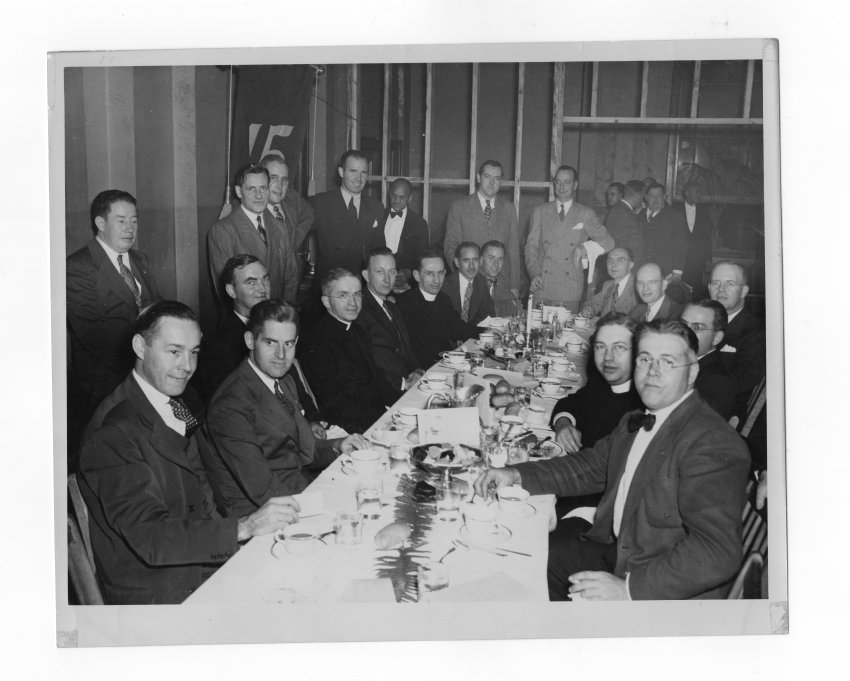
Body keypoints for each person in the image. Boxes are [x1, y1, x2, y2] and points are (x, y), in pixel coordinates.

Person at [475, 319, 750, 600]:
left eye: (667, 362)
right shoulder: (637, 419)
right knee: (519, 553)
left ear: (692, 373)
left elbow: (717, 552)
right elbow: (588, 468)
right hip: (621, 550)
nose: (652, 372)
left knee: (518, 575)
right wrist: (516, 475)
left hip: (663, 588)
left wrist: (628, 589)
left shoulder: (709, 442)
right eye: (645, 359)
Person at [77, 301, 301, 604]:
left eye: (193, 352)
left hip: (199, 560)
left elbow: (200, 490)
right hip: (161, 590)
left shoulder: (169, 402)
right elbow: (151, 537)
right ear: (140, 346)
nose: (187, 366)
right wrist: (245, 527)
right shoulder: (112, 432)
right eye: (174, 351)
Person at [204, 300, 369, 517]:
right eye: (271, 343)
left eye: (289, 344)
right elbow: (263, 490)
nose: (281, 355)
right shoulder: (230, 406)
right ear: (250, 341)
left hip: (299, 488)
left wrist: (338, 446)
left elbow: (303, 449)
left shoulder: (282, 380)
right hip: (264, 513)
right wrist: (330, 504)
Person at [67, 189, 161, 465]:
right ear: (100, 223)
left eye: (134, 221)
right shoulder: (78, 267)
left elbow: (160, 312)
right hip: (104, 385)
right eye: (121, 220)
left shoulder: (141, 260)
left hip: (146, 372)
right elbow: (96, 336)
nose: (130, 228)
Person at [190, 255, 325, 429]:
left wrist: (312, 420)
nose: (262, 289)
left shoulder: (279, 326)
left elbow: (292, 383)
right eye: (251, 282)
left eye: (265, 279)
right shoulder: (218, 345)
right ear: (231, 291)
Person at [299, 268, 400, 433]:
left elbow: (376, 378)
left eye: (357, 294)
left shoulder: (357, 330)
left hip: (375, 417)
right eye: (343, 295)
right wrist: (385, 421)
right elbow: (336, 403)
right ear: (326, 302)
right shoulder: (317, 342)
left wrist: (400, 405)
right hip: (351, 428)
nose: (353, 303)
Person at [208, 163, 298, 305]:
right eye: (251, 189)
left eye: (263, 188)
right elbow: (226, 290)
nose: (259, 195)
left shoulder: (279, 226)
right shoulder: (224, 230)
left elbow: (290, 278)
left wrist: (283, 313)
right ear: (239, 191)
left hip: (277, 315)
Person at [525, 165, 614, 310]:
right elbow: (531, 247)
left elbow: (609, 242)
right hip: (542, 284)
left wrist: (584, 249)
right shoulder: (540, 211)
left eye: (567, 182)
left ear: (575, 185)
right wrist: (534, 273)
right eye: (558, 182)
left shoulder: (585, 213)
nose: (561, 186)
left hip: (569, 287)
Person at [309, 149, 386, 296]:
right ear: (341, 172)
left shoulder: (376, 207)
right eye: (353, 171)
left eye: (363, 172)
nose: (359, 178)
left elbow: (379, 252)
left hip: (361, 290)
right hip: (328, 290)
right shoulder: (320, 203)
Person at [443, 160, 521, 294]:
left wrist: (515, 286)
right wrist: (462, 275)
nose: (492, 182)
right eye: (487, 176)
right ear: (478, 178)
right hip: (469, 283)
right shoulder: (459, 207)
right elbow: (451, 245)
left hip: (501, 286)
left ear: (501, 181)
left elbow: (513, 251)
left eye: (497, 178)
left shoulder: (509, 209)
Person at [356, 247, 423, 394]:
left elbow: (405, 347)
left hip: (406, 384)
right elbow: (366, 363)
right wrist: (403, 383)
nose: (387, 279)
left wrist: (417, 369)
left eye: (392, 272)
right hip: (384, 390)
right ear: (366, 275)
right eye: (380, 271)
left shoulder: (392, 306)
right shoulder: (359, 310)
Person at [396, 250, 477, 367]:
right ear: (417, 276)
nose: (437, 280)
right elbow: (408, 351)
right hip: (421, 370)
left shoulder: (443, 299)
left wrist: (486, 332)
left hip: (444, 364)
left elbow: (459, 329)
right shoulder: (405, 303)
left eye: (440, 273)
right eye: (430, 274)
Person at [708, 260, 766, 416]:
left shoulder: (757, 333)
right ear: (709, 288)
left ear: (744, 291)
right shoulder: (696, 321)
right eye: (716, 283)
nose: (721, 290)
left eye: (730, 284)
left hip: (720, 414)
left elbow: (740, 382)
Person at [681, 299, 737, 420]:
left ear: (716, 337)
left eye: (697, 327)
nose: (685, 332)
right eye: (683, 324)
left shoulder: (717, 382)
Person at [260, 151, 315, 260]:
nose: (279, 186)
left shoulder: (292, 198)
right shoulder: (251, 208)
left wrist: (293, 243)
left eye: (284, 180)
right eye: (273, 178)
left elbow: (309, 216)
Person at [383, 177, 429, 290]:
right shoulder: (379, 216)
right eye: (394, 196)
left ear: (410, 198)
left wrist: (409, 273)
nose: (397, 200)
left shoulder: (419, 223)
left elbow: (423, 256)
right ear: (389, 195)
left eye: (402, 197)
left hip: (405, 285)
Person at [642, 183, 690, 281]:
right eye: (652, 196)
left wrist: (677, 272)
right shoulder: (639, 215)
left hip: (666, 273)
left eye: (659, 196)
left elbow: (681, 245)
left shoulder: (675, 216)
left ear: (664, 197)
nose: (655, 199)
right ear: (646, 197)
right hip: (642, 270)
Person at [443, 241, 495, 325]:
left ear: (481, 261)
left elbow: (488, 314)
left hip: (472, 334)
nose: (471, 266)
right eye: (466, 260)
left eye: (475, 260)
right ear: (457, 262)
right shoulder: (446, 285)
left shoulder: (481, 281)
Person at [581, 247, 639, 318]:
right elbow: (594, 303)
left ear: (630, 265)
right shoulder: (608, 285)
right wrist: (588, 309)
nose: (613, 265)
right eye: (610, 261)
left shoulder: (639, 287)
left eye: (620, 260)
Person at [680, 180, 714, 296]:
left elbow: (706, 238)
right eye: (697, 192)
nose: (700, 195)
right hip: (679, 261)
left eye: (700, 192)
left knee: (695, 293)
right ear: (686, 193)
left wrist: (708, 259)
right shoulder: (674, 209)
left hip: (697, 262)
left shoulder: (704, 212)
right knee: (678, 292)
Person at [479, 240, 519, 316]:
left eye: (500, 259)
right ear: (481, 260)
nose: (496, 264)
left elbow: (516, 308)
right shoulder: (471, 284)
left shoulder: (502, 284)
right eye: (491, 258)